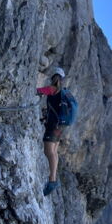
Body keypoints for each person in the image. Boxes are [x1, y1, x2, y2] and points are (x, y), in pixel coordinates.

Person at [37, 67, 66, 196]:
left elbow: (37, 91)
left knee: (49, 151)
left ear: (53, 77)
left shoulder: (51, 89)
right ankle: (53, 179)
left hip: (53, 126)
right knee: (53, 151)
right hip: (60, 127)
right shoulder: (63, 92)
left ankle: (52, 180)